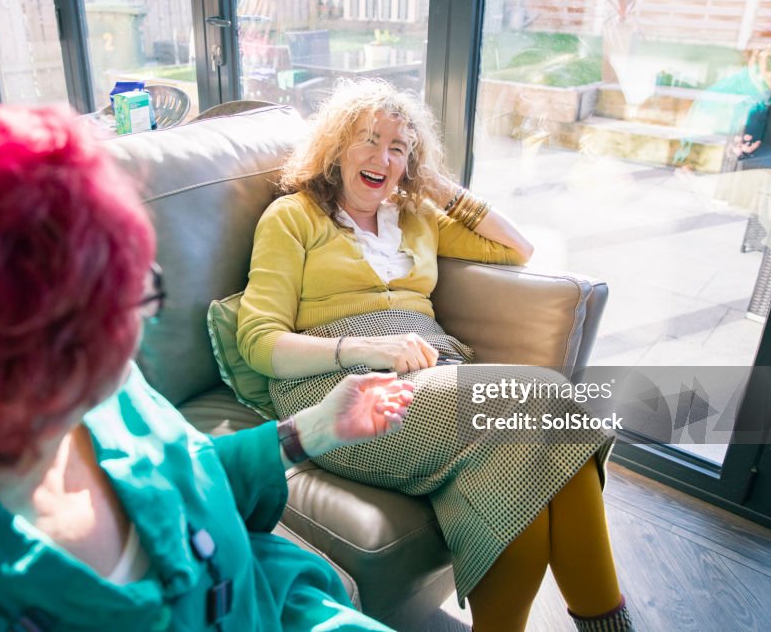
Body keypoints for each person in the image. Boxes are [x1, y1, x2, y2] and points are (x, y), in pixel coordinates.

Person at [0, 106, 414, 631]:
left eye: (139, 291)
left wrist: (311, 429)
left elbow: (185, 481)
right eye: (111, 310)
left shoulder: (112, 390)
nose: (134, 336)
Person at [237, 79, 635, 631]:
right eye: (368, 141)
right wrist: (368, 346)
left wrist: (437, 188)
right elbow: (257, 341)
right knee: (548, 400)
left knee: (525, 467)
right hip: (338, 389)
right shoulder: (293, 217)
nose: (382, 158)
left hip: (431, 372)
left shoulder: (416, 218)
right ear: (335, 148)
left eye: (398, 148)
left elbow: (515, 247)